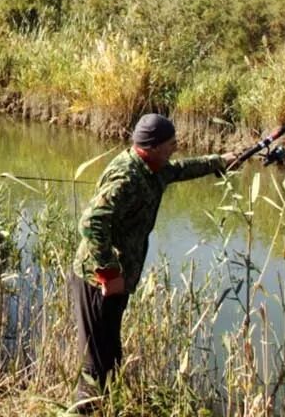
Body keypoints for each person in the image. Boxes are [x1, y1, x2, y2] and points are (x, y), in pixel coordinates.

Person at [68, 114, 241, 412]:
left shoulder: (154, 169)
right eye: (171, 144)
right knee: (95, 364)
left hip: (118, 280)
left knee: (110, 355)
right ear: (153, 146)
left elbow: (182, 169)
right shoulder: (128, 178)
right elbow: (91, 223)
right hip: (97, 281)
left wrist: (220, 161)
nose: (176, 148)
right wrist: (109, 273)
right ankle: (82, 410)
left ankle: (108, 408)